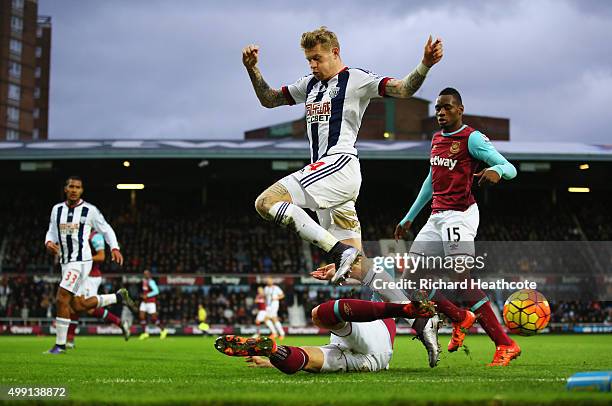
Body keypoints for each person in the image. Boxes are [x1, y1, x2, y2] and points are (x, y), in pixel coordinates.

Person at [243, 26, 443, 283]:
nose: (313, 65)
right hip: (327, 176)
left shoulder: (356, 79)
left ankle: (341, 251)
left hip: (338, 164)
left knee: (266, 202)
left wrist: (425, 64)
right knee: (358, 271)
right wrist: (252, 69)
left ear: (335, 52)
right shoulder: (310, 84)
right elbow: (270, 99)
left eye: (317, 58)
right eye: (309, 59)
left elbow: (403, 89)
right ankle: (418, 315)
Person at [394, 87, 520, 366]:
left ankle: (505, 344)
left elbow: (509, 167)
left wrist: (496, 171)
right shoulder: (437, 138)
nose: (441, 112)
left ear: (459, 110)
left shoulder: (472, 138)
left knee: (461, 277)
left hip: (460, 216)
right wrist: (410, 217)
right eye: (438, 107)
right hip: (436, 217)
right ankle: (460, 317)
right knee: (410, 282)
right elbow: (431, 181)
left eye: (447, 107)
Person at [215, 298, 434, 374]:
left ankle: (401, 310)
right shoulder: (392, 291)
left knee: (319, 315)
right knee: (308, 359)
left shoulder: (381, 295)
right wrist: (270, 362)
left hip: (372, 336)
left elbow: (364, 266)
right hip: (374, 358)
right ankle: (275, 351)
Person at [44, 175, 137, 354]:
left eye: (77, 187)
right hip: (65, 262)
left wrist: (115, 248)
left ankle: (60, 345)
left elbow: (106, 228)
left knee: (61, 298)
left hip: (81, 262)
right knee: (78, 306)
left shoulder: (89, 210)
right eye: (71, 186)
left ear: (81, 191)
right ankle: (117, 297)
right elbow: (52, 232)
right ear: (65, 189)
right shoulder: (57, 210)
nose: (74, 190)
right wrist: (48, 243)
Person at [66, 230, 130, 348]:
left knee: (86, 308)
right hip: (81, 274)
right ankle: (70, 340)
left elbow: (101, 256)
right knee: (74, 307)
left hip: (91, 277)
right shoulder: (80, 234)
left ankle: (117, 299)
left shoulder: (96, 236)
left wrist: (82, 258)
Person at [138, 270, 168, 340]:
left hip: (151, 302)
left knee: (154, 319)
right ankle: (145, 333)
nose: (146, 275)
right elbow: (144, 291)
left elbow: (156, 291)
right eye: (144, 274)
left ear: (149, 274)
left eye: (147, 274)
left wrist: (147, 295)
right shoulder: (143, 281)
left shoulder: (151, 282)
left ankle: (163, 330)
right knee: (141, 316)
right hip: (144, 302)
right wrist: (142, 295)